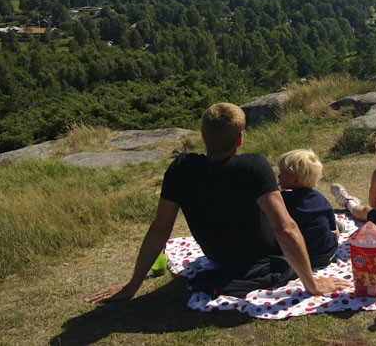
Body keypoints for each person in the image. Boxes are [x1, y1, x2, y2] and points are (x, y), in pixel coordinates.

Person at [86, 103, 349, 303]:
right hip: (262, 255)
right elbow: (286, 228)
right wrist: (312, 284)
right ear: (240, 138)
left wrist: (133, 286)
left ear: (203, 135)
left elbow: (160, 229)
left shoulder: (181, 168)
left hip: (217, 255)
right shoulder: (253, 166)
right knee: (304, 213)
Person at [277, 149, 341, 268]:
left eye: (282, 172)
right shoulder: (319, 197)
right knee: (334, 228)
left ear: (295, 180)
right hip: (327, 254)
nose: (278, 176)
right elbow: (332, 226)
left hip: (301, 259)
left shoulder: (282, 200)